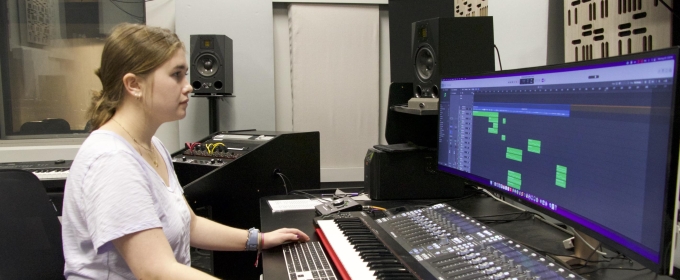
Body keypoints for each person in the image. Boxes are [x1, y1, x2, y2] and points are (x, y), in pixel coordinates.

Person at [61, 23, 310, 279]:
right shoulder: (112, 160)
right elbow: (156, 271)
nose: (188, 86)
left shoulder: (152, 145)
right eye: (176, 75)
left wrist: (259, 240)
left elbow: (190, 225)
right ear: (134, 84)